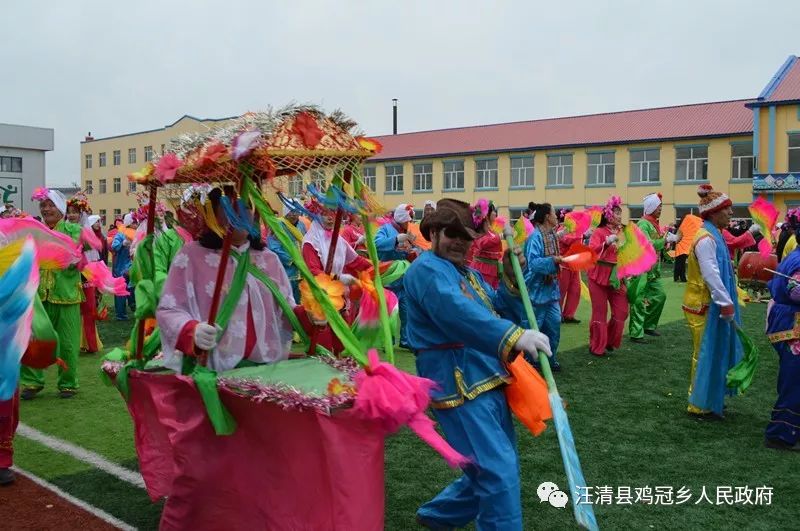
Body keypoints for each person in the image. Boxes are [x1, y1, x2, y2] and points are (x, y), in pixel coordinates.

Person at [404, 198, 551, 530]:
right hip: (457, 383)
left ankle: (437, 516)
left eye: (465, 235)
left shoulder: (466, 273)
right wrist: (513, 337)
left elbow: (495, 306)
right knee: (497, 472)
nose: (459, 242)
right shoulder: (425, 270)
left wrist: (513, 274)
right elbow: (458, 314)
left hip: (489, 377)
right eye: (452, 233)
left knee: (494, 467)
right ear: (434, 232)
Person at [157, 188, 294, 373]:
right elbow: (169, 309)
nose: (239, 215)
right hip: (212, 367)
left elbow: (286, 308)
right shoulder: (191, 256)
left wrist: (309, 316)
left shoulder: (268, 259)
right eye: (229, 207)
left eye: (246, 208)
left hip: (266, 368)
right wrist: (192, 331)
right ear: (212, 213)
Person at [683, 185, 743, 418]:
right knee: (704, 352)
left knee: (714, 350)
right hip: (703, 305)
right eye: (727, 209)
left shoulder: (714, 234)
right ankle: (697, 403)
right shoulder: (706, 238)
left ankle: (709, 396)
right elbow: (711, 275)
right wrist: (725, 302)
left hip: (710, 303)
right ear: (714, 212)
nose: (731, 213)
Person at [20, 188, 84, 399]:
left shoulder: (73, 230)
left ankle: (67, 383)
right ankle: (32, 382)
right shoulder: (34, 230)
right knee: (33, 338)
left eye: (51, 205)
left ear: (61, 208)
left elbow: (75, 257)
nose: (46, 209)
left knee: (67, 342)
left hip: (66, 294)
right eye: (43, 205)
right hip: (38, 294)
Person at [764, 238, 800, 450]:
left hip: (787, 321)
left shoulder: (794, 256)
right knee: (794, 380)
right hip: (792, 325)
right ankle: (780, 434)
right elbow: (795, 291)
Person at [628, 193, 679, 343]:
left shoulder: (653, 224)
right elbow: (647, 245)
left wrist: (669, 246)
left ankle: (648, 325)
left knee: (659, 296)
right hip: (641, 268)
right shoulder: (643, 224)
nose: (660, 209)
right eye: (658, 206)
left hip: (652, 270)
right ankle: (636, 333)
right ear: (650, 207)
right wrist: (666, 240)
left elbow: (658, 245)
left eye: (661, 206)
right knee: (638, 300)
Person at [519, 202, 564, 371]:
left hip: (551, 291)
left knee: (554, 325)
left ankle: (550, 359)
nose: (556, 216)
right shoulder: (535, 237)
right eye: (554, 213)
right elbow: (533, 264)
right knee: (534, 328)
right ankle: (531, 363)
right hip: (536, 292)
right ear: (547, 217)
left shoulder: (552, 235)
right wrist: (553, 261)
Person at [587, 196, 629, 357]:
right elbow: (592, 251)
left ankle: (609, 340)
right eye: (617, 212)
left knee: (622, 312)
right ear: (609, 215)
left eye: (620, 213)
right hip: (598, 275)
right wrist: (605, 242)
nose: (620, 216)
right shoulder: (598, 232)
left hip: (617, 276)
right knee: (600, 312)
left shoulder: (623, 232)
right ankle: (596, 346)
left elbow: (627, 253)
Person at [375, 203, 416, 347]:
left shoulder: (408, 233)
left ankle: (405, 339)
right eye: (407, 220)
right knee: (388, 312)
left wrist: (412, 251)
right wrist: (397, 239)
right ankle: (388, 339)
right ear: (401, 218)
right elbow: (377, 244)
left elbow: (409, 252)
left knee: (407, 310)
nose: (409, 223)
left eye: (410, 220)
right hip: (388, 278)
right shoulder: (385, 229)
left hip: (403, 279)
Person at [466, 199, 503, 288]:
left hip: (493, 270)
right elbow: (482, 243)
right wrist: (500, 237)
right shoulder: (479, 231)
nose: (495, 213)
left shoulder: (492, 231)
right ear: (486, 215)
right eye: (493, 211)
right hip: (482, 270)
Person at [556, 209, 583, 324]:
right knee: (561, 290)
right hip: (564, 265)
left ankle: (569, 314)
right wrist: (581, 235)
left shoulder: (576, 231)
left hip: (574, 265)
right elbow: (566, 240)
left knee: (575, 290)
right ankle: (557, 314)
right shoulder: (563, 230)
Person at [111, 213, 137, 320]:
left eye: (136, 222)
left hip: (133, 266)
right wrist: (123, 243)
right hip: (121, 268)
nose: (136, 224)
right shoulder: (121, 234)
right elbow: (114, 246)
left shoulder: (138, 233)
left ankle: (133, 304)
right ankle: (121, 314)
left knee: (133, 287)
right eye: (134, 222)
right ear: (129, 223)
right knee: (120, 291)